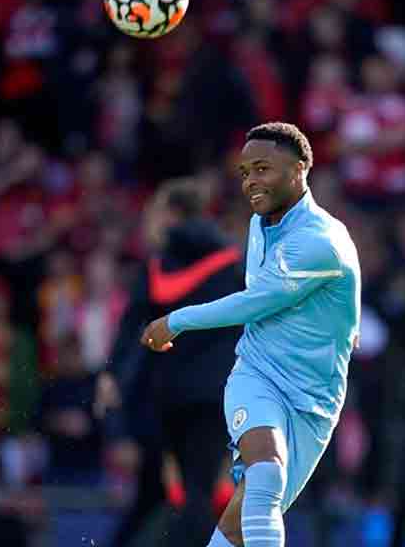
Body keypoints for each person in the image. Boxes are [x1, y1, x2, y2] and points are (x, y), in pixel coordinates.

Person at [140, 122, 362, 547]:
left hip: (315, 399)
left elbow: (253, 301)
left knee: (242, 523)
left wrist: (175, 320)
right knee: (266, 473)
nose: (251, 182)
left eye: (263, 169)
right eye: (245, 172)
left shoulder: (320, 240)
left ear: (299, 169)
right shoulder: (262, 222)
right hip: (256, 376)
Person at [96, 177, 244, 547]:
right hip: (217, 397)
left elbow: (134, 334)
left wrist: (113, 377)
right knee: (191, 490)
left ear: (171, 215)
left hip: (163, 398)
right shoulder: (235, 266)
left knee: (170, 492)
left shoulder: (158, 270)